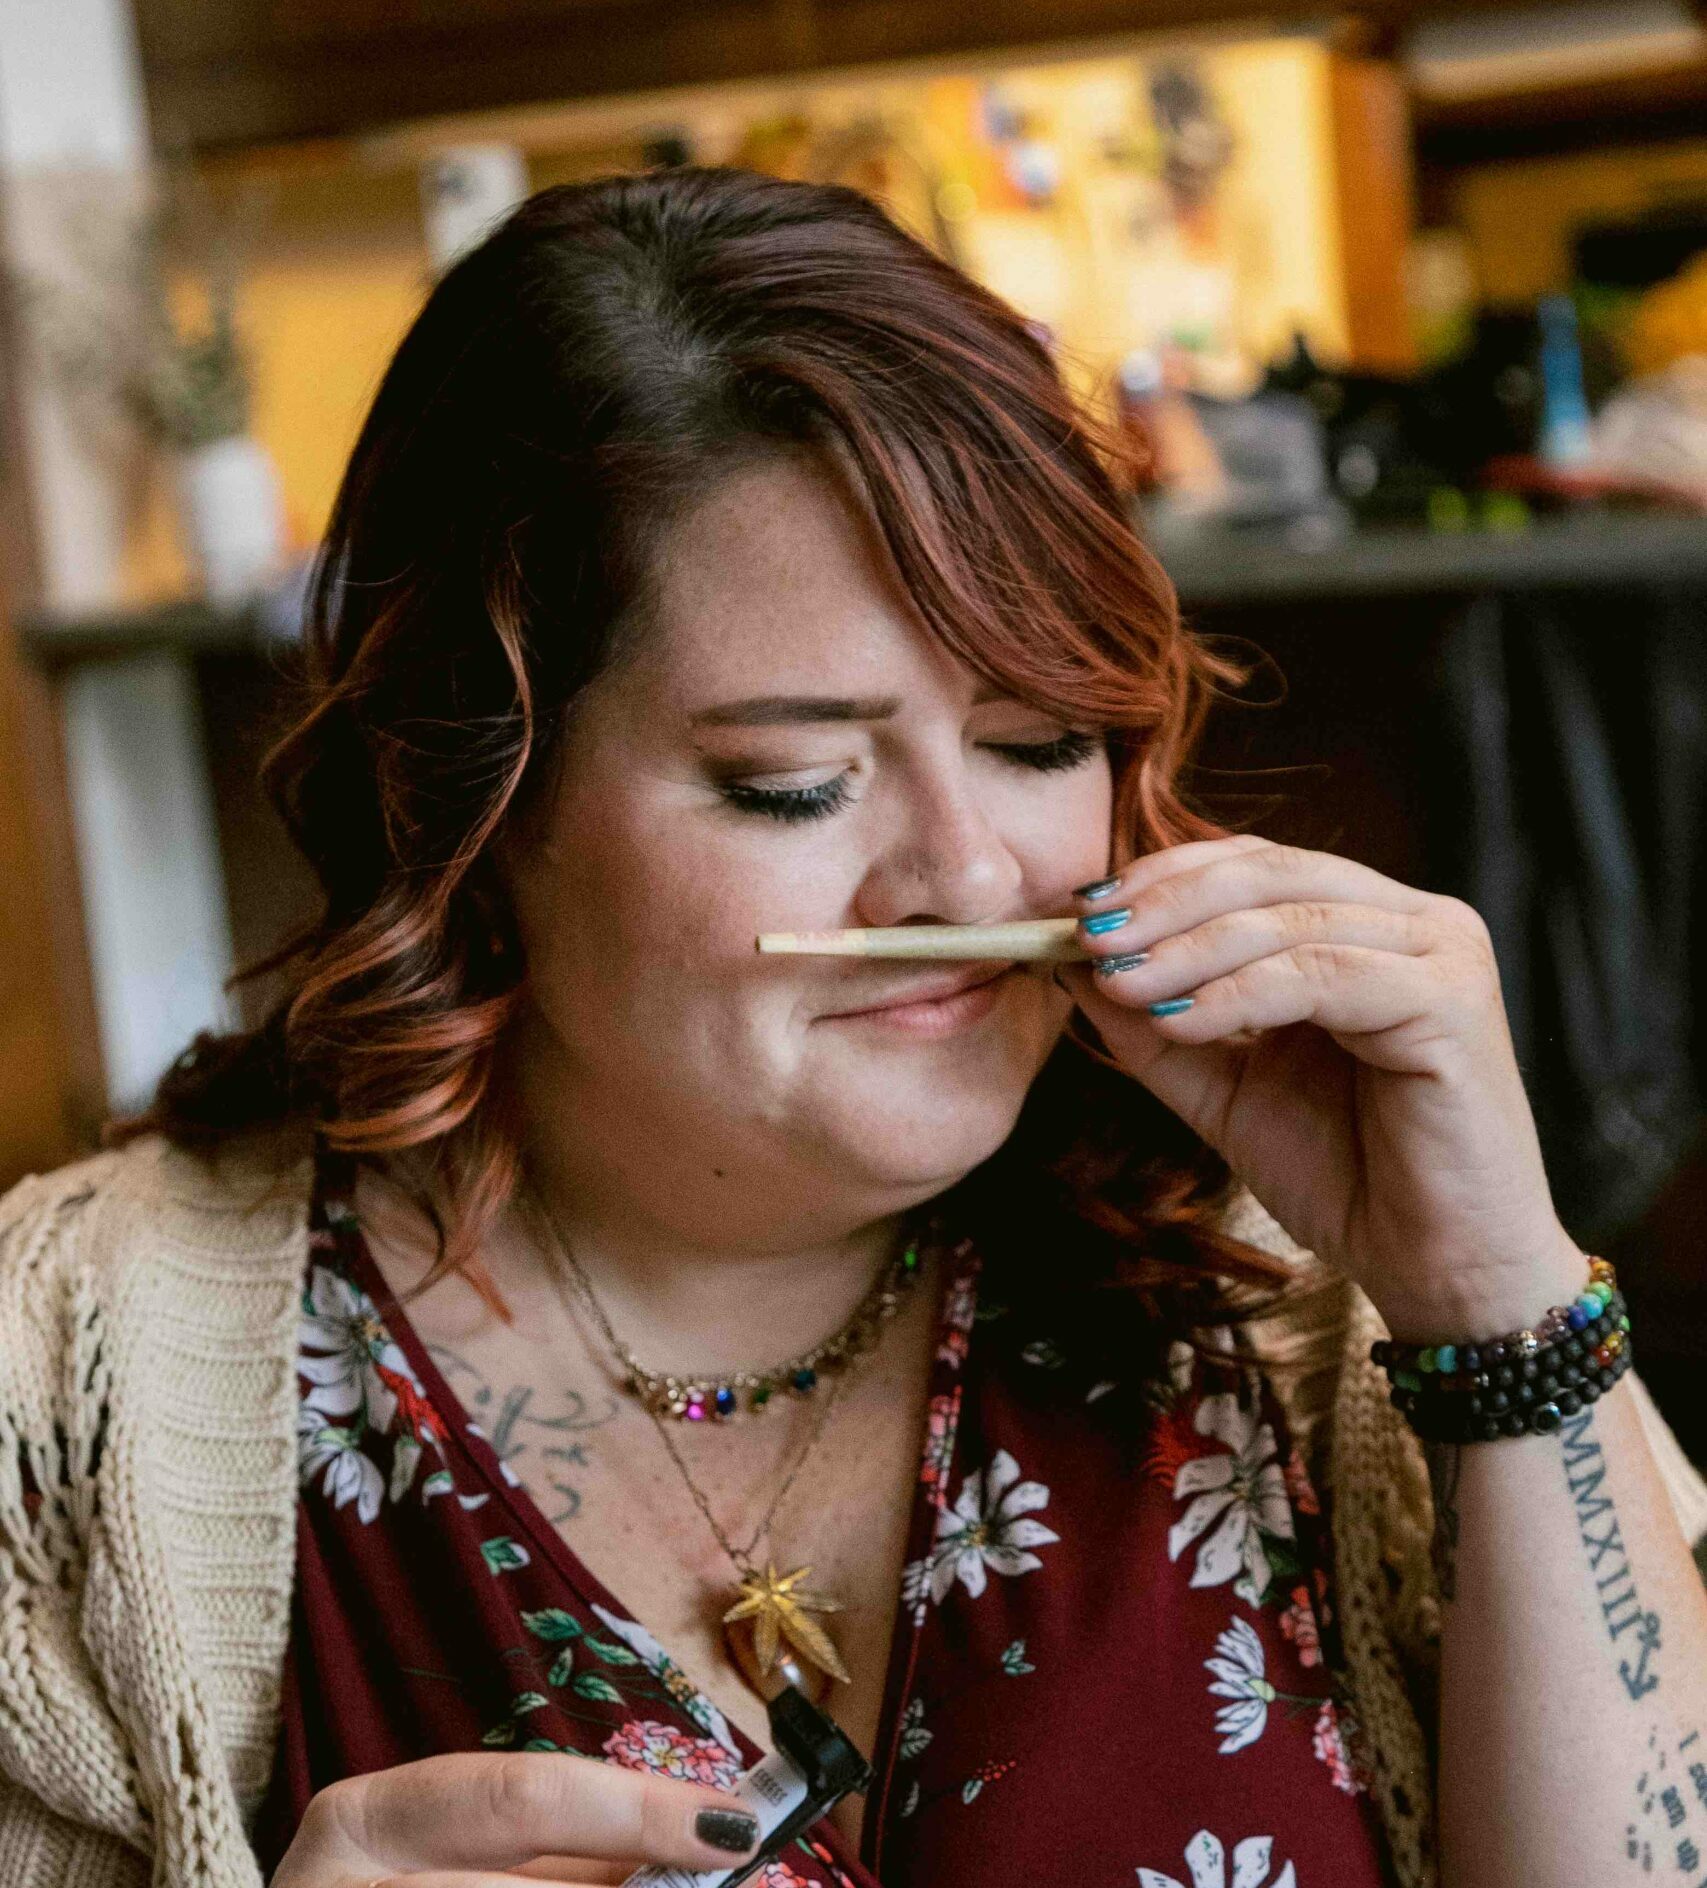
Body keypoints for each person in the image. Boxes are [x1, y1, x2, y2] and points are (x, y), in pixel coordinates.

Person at [2, 167, 1704, 1888]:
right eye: (792, 782)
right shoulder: (68, 1389)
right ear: (475, 800)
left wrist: (1501, 1307)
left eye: (1043, 744)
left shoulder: (1309, 1298)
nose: (966, 869)